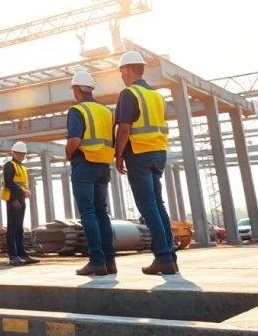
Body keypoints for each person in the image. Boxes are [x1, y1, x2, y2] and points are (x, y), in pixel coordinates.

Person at [114, 51, 178, 275]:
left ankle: (162, 257)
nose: (121, 75)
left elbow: (124, 128)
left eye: (121, 71)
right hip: (158, 153)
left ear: (129, 70)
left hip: (139, 153)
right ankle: (169, 256)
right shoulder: (157, 96)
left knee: (148, 206)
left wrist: (119, 155)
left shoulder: (129, 93)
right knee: (158, 204)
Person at [65, 71, 118, 276]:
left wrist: (68, 152)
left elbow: (74, 141)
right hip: (103, 166)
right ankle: (109, 261)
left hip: (84, 163)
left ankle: (96, 261)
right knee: (101, 213)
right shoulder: (106, 112)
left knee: (87, 213)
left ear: (77, 90)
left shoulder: (77, 110)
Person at [1, 141, 39, 266]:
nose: (23, 156)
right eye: (21, 154)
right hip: (13, 199)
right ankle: (13, 255)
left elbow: (20, 183)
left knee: (19, 228)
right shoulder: (9, 165)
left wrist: (24, 193)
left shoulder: (22, 168)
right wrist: (21, 193)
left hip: (21, 199)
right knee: (12, 227)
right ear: (15, 153)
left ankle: (22, 254)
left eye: (24, 154)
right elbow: (9, 182)